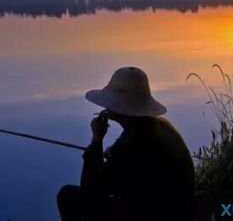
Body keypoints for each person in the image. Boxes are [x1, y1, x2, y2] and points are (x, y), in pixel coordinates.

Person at [57, 67, 195, 221]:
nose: (106, 106)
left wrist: (97, 140)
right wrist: (113, 155)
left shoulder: (132, 144)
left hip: (155, 214)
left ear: (121, 106)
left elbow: (90, 190)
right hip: (177, 209)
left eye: (111, 100)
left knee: (68, 196)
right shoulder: (158, 126)